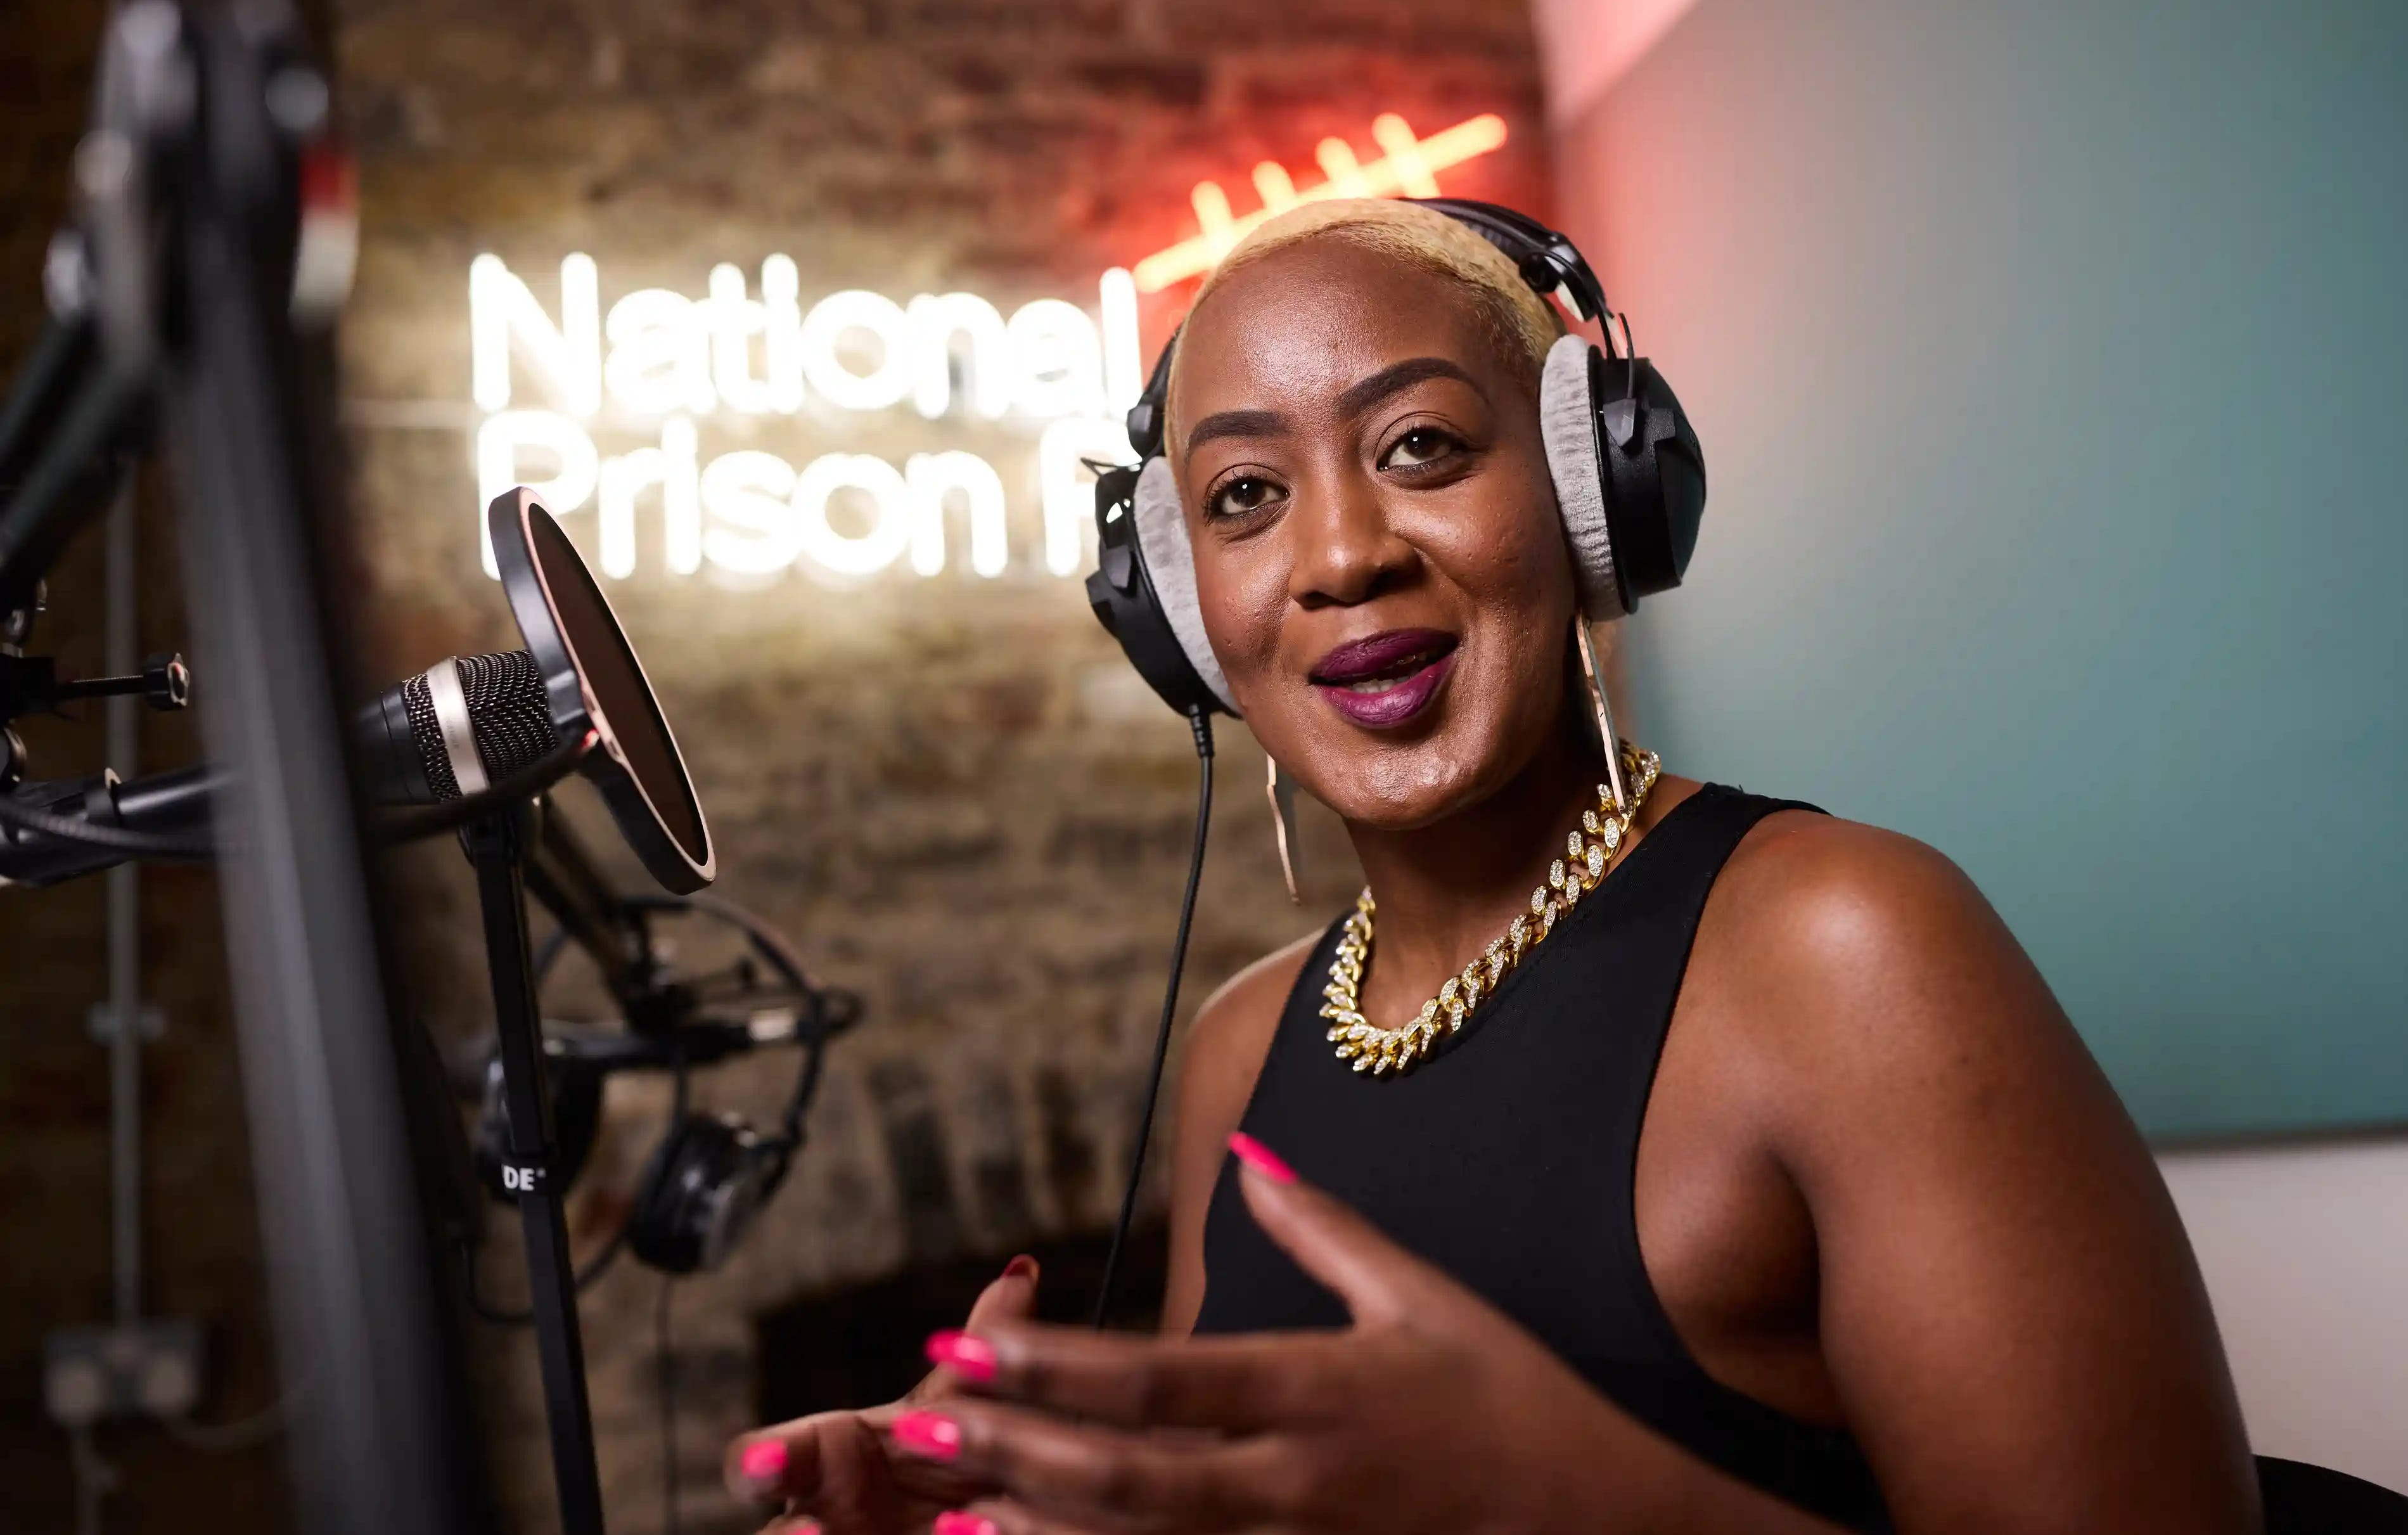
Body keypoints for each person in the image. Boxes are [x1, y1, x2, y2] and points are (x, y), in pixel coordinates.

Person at [724, 200, 2262, 1533]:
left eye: (1422, 447)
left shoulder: (1845, 947)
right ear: (1180, 611)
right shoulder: (1240, 1049)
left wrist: (1577, 1497)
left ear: (1590, 491)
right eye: (1245, 495)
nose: (1343, 554)